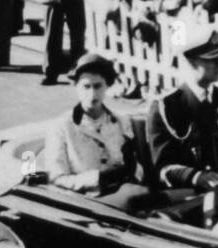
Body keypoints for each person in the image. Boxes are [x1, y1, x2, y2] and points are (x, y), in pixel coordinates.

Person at [145, 24, 218, 193]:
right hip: (192, 197)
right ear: (190, 61)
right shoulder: (167, 108)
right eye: (212, 59)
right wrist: (196, 176)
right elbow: (162, 168)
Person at [45, 52, 150, 213]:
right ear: (76, 87)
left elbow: (137, 166)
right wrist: (97, 179)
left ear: (107, 86)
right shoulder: (62, 126)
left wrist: (132, 173)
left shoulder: (122, 121)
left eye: (98, 86)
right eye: (86, 87)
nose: (92, 95)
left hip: (125, 194)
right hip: (86, 202)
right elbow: (56, 178)